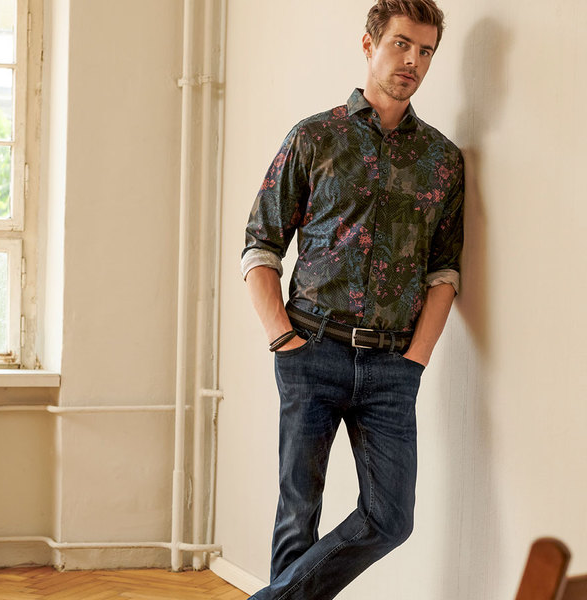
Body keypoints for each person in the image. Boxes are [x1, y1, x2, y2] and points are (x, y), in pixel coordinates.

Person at [240, 0, 464, 598]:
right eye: (401, 44)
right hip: (310, 348)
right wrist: (282, 339)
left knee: (391, 518)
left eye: (425, 51)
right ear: (369, 44)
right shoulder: (315, 137)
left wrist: (416, 359)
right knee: (298, 514)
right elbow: (260, 245)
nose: (412, 61)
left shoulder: (443, 160)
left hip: (393, 365)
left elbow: (444, 271)